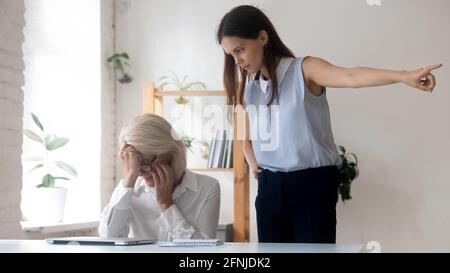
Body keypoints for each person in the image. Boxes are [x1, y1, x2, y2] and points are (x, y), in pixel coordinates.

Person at [217, 5, 442, 243]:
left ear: (262, 37)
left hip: (311, 187)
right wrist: (255, 165)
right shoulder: (248, 88)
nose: (237, 61)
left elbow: (350, 77)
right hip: (269, 190)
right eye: (231, 55)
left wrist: (403, 76)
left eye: (240, 50)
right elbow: (244, 138)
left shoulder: (304, 70)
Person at [99, 113, 220, 241]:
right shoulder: (131, 188)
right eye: (135, 164)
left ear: (168, 153)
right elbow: (108, 238)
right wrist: (128, 180)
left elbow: (205, 250)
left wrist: (166, 205)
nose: (140, 173)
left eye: (145, 162)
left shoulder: (207, 188)